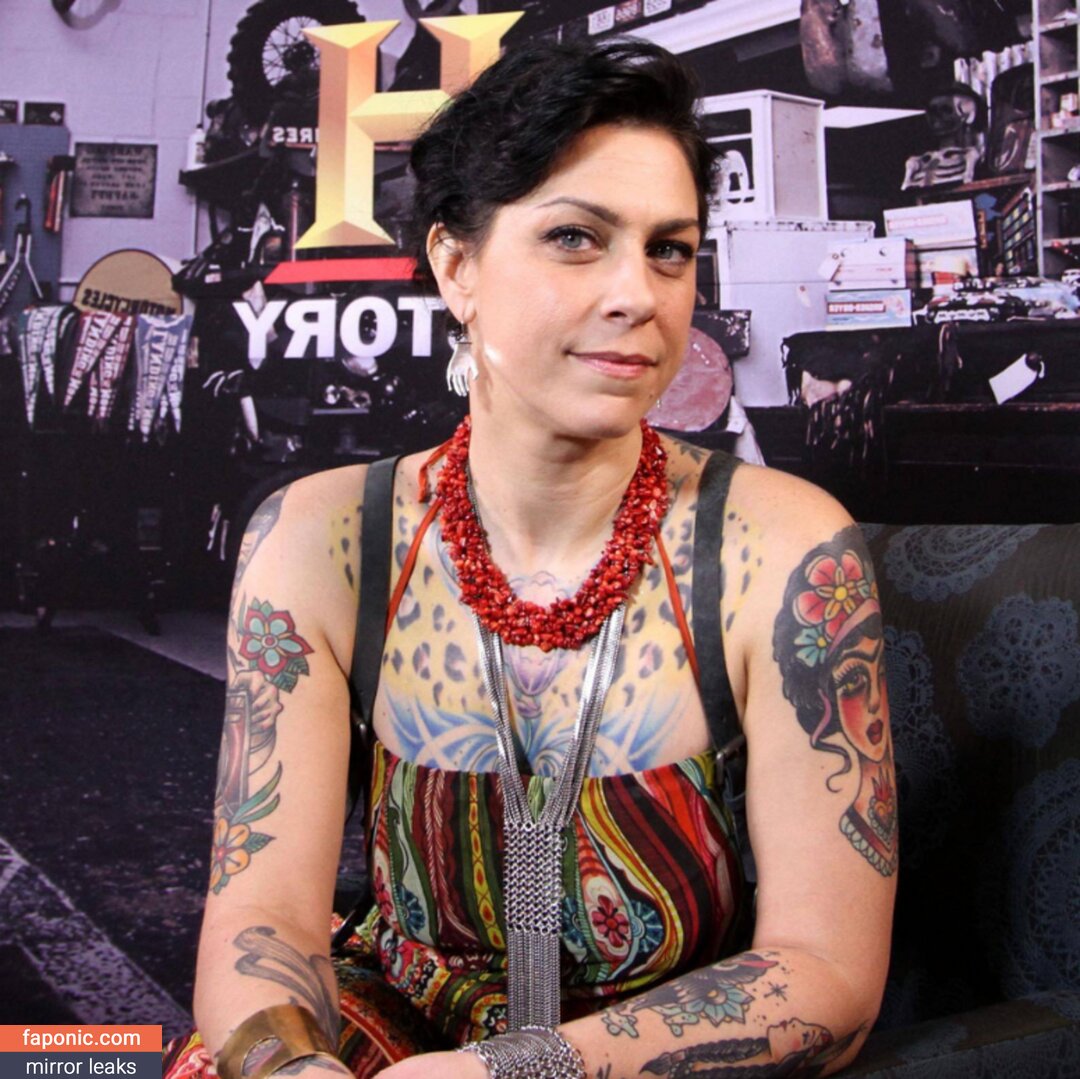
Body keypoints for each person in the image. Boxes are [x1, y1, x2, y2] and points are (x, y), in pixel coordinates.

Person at [164, 36, 896, 1079]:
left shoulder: (780, 547)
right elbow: (265, 913)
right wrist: (295, 1069)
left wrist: (510, 1070)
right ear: (456, 265)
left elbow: (825, 971)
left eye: (670, 249)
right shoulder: (323, 540)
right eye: (575, 238)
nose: (638, 294)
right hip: (397, 1027)